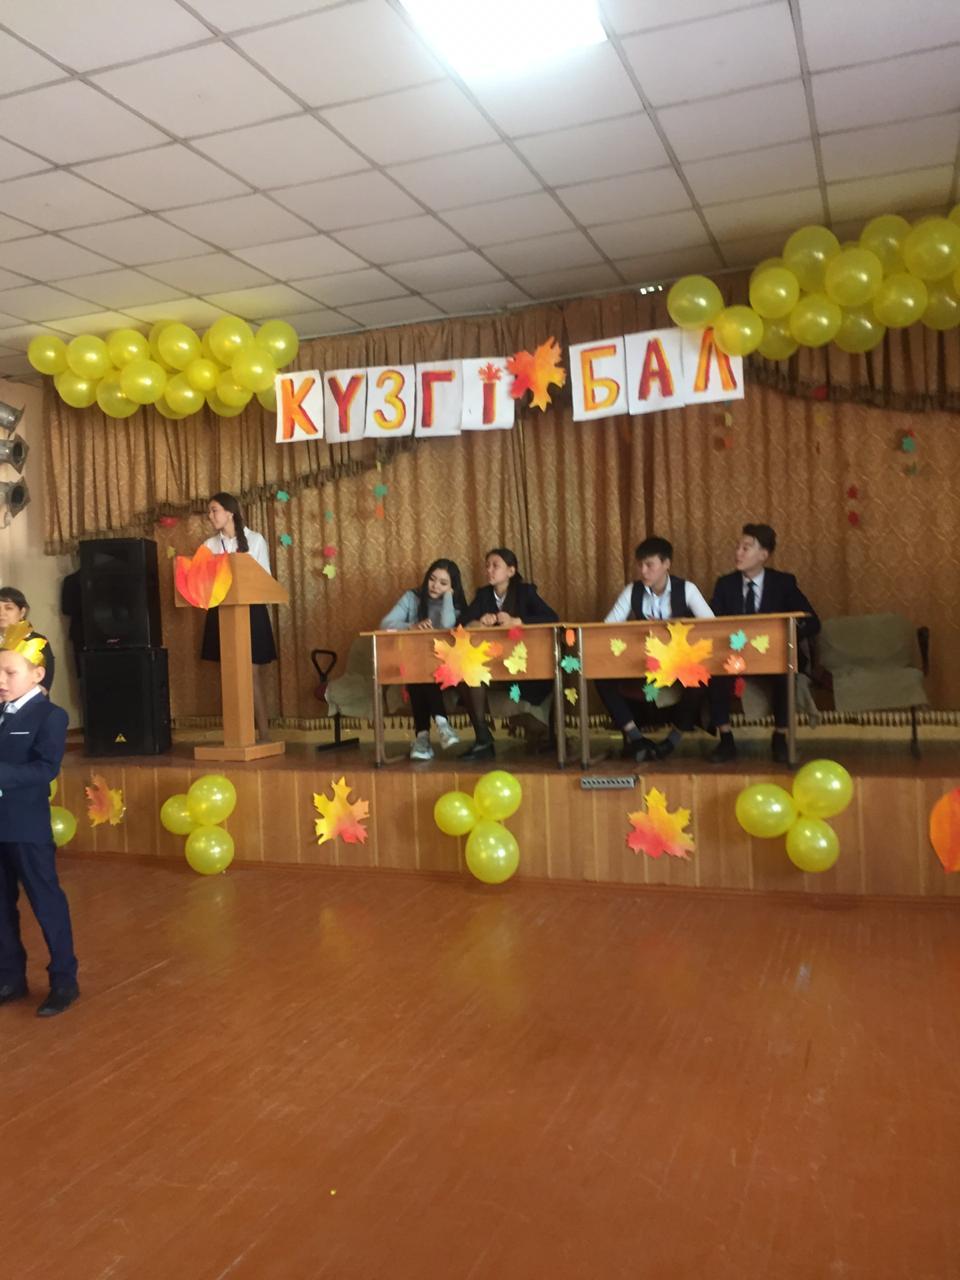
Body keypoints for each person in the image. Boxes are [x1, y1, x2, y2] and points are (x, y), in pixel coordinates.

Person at [0, 622, 79, 1017]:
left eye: (9, 672)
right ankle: (10, 977)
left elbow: (45, 768)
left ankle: (64, 980)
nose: (1, 681)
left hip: (27, 829)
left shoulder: (50, 716)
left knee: (46, 903)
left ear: (37, 674)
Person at [709, 523, 820, 764]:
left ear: (763, 555)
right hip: (735, 657)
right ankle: (726, 739)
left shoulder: (783, 583)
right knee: (715, 673)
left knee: (785, 673)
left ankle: (780, 737)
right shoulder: (725, 584)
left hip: (774, 656)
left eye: (746, 548)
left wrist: (784, 638)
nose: (738, 552)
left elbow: (812, 622)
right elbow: (712, 624)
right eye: (738, 547)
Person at [597, 535, 714, 763]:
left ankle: (672, 741)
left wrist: (670, 627)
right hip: (643, 664)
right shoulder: (632, 591)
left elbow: (711, 626)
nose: (643, 571)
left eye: (649, 565)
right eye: (640, 565)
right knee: (600, 676)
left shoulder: (687, 589)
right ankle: (636, 738)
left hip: (679, 664)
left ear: (666, 564)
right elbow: (607, 627)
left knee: (700, 680)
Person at [459, 547, 559, 759]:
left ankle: (548, 736)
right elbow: (461, 623)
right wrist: (479, 622)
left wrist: (517, 621)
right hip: (494, 664)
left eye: (495, 566)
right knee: (468, 675)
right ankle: (483, 737)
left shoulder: (525, 592)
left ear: (511, 571)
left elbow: (552, 617)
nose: (489, 570)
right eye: (487, 566)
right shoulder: (483, 595)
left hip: (523, 665)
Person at [200, 493, 277, 741]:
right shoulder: (209, 545)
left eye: (214, 510)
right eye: (209, 511)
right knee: (230, 675)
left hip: (251, 611)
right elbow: (200, 580)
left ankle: (264, 735)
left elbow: (264, 580)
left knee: (251, 674)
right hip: (221, 612)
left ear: (230, 512)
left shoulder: (255, 540)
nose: (210, 516)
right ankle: (236, 737)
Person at [380, 559, 468, 761]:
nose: (435, 586)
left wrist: (448, 597)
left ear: (452, 587)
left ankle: (422, 737)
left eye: (443, 583)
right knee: (418, 671)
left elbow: (447, 625)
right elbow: (385, 623)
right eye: (432, 579)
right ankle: (442, 725)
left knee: (424, 671)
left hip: (446, 666)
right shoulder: (412, 597)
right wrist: (410, 627)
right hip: (414, 662)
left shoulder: (456, 604)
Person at [0, 587, 54, 694]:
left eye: (8, 608)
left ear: (22, 612)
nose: (1, 613)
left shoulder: (36, 641)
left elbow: (43, 687)